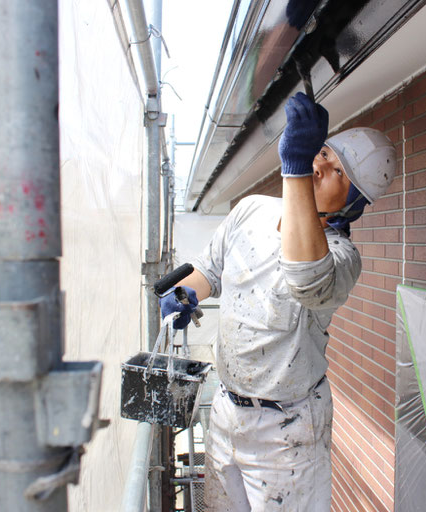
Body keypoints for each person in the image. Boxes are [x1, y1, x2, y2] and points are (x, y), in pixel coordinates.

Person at [160, 92, 397, 511]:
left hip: (287, 431)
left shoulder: (340, 258)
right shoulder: (250, 209)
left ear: (354, 203)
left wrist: (293, 170)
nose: (320, 165)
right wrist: (187, 293)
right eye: (322, 152)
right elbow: (211, 267)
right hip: (226, 411)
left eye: (338, 170)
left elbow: (307, 277)